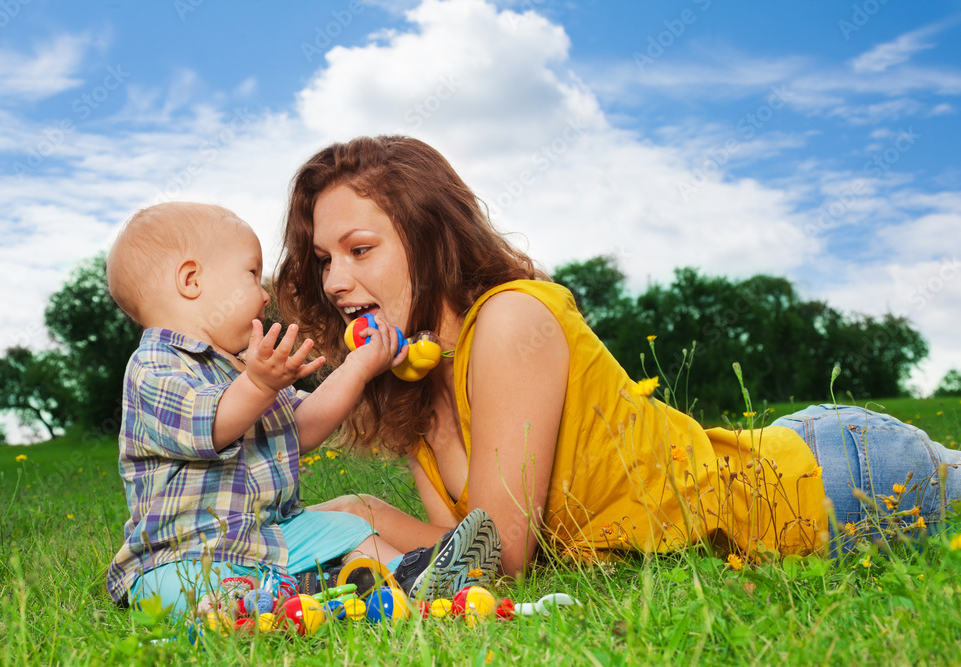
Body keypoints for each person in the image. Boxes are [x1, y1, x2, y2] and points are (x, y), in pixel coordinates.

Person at [275, 135, 961, 575]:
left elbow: (502, 554)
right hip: (778, 450)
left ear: (430, 237)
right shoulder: (415, 387)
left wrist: (358, 511)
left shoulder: (512, 318)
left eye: (360, 250)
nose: (334, 281)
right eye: (324, 259)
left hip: (831, 480)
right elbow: (458, 556)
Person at [104, 202, 501, 613]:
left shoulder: (241, 369)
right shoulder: (154, 366)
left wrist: (360, 368)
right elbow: (211, 424)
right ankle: (252, 605)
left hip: (267, 539)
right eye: (251, 274)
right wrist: (258, 384)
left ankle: (413, 575)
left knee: (347, 528)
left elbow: (302, 427)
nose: (263, 294)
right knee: (185, 590)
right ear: (191, 280)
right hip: (184, 555)